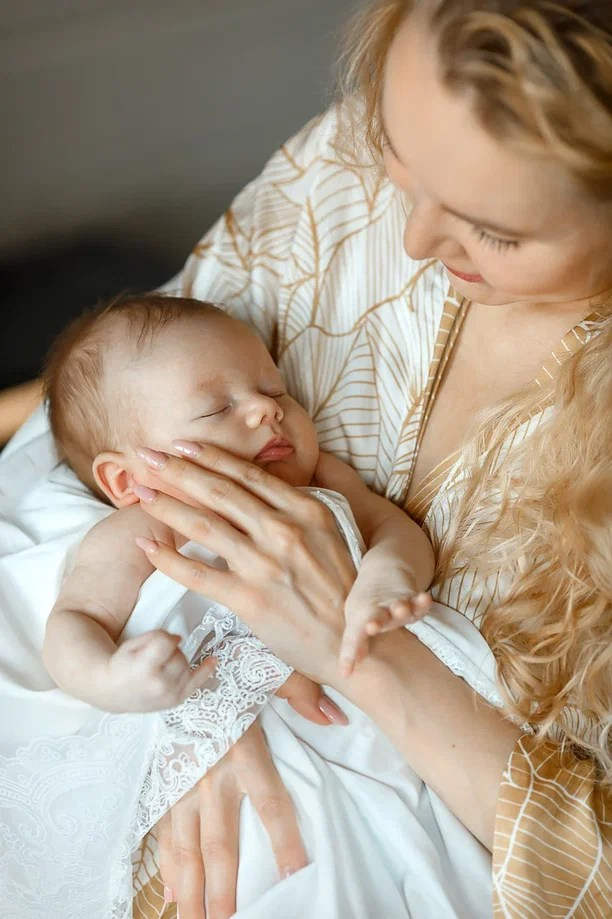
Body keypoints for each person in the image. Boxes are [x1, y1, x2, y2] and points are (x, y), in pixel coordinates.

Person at [0, 1, 609, 917]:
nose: (413, 242)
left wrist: (354, 647)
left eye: (496, 232)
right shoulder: (351, 152)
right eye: (399, 159)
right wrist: (178, 720)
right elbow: (111, 397)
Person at [42, 293, 432, 710]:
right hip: (211, 714)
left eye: (275, 390)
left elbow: (393, 528)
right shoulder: (148, 528)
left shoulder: (324, 479)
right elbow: (75, 620)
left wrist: (388, 576)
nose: (266, 409)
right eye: (215, 410)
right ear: (125, 479)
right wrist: (109, 679)